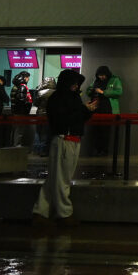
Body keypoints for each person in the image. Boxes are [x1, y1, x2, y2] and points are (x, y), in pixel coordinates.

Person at [33, 68, 97, 225]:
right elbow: (67, 119)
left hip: (67, 139)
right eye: (74, 84)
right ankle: (64, 213)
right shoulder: (63, 98)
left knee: (55, 178)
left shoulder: (61, 98)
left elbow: (72, 117)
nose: (76, 86)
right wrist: (85, 110)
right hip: (66, 139)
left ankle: (41, 212)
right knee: (63, 179)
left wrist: (85, 111)